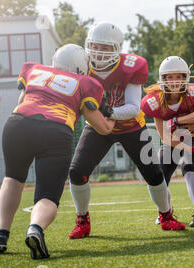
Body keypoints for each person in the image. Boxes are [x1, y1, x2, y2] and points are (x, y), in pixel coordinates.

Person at [0, 44, 115, 259]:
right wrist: (111, 120)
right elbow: (101, 127)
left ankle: (1, 234)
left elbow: (22, 101)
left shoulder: (35, 70)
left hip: (17, 124)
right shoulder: (83, 82)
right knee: (47, 194)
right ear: (81, 67)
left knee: (12, 179)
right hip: (55, 130)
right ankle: (35, 229)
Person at [68, 22, 185, 238]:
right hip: (97, 127)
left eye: (105, 48)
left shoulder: (131, 66)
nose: (98, 52)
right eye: (95, 46)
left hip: (131, 126)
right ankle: (82, 219)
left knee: (154, 174)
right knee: (76, 172)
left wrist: (106, 111)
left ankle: (166, 215)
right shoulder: (82, 66)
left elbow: (132, 108)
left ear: (117, 48)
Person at [141, 56, 194, 227]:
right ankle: (165, 211)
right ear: (163, 79)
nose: (174, 81)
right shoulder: (155, 100)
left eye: (178, 77)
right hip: (171, 142)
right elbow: (164, 137)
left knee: (188, 169)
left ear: (185, 78)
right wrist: (184, 145)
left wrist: (176, 122)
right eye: (170, 77)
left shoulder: (192, 93)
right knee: (160, 176)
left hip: (192, 136)